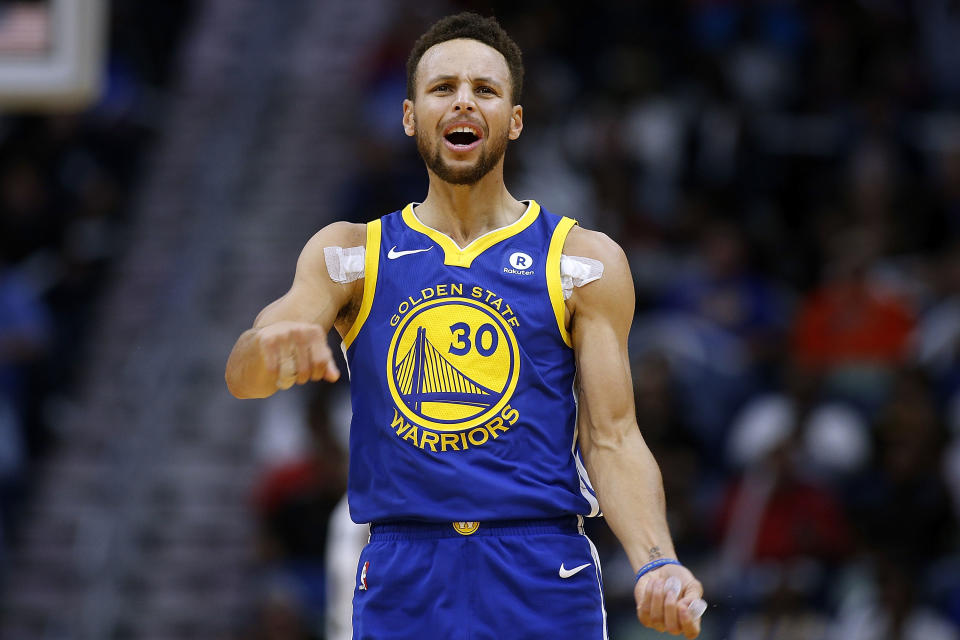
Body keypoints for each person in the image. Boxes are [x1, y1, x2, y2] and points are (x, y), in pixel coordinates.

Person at [226, 12, 706, 639]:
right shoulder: (349, 254)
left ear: (515, 119)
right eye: (442, 87)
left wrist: (655, 561)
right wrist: (270, 345)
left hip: (539, 567)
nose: (463, 101)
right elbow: (245, 375)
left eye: (485, 89)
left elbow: (612, 437)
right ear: (409, 116)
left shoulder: (583, 260)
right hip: (404, 570)